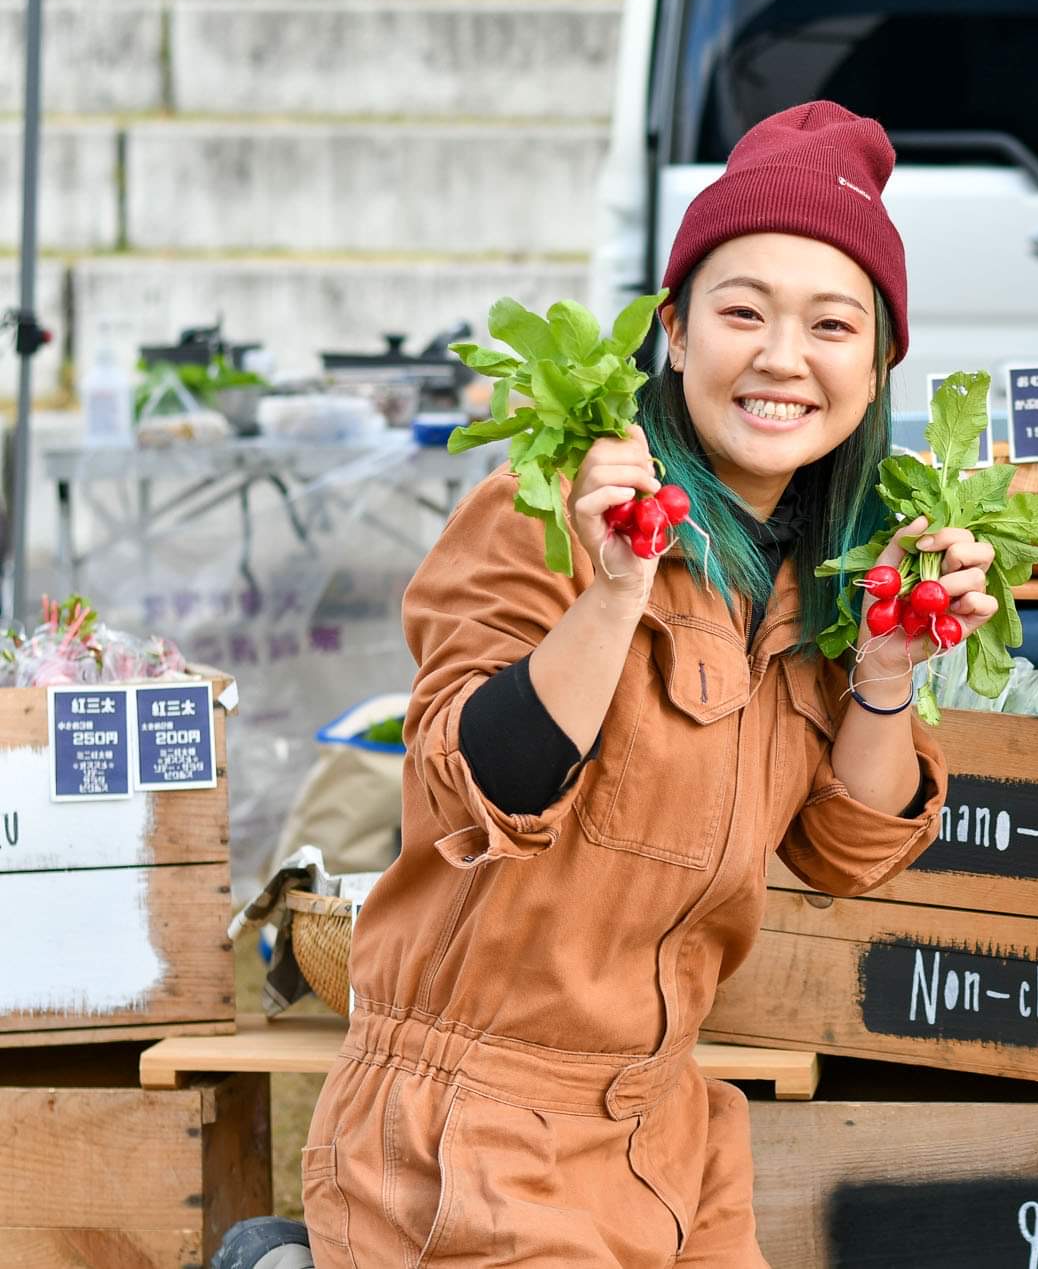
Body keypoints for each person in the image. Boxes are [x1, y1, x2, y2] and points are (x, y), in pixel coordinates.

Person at [300, 101, 995, 1267]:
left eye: (833, 325)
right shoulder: (559, 515)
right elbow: (475, 781)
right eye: (742, 312)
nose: (782, 358)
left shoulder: (818, 580)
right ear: (673, 332)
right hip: (470, 1128)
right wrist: (616, 588)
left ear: (875, 373)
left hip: (668, 1132)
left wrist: (884, 669)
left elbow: (844, 850)